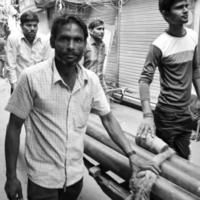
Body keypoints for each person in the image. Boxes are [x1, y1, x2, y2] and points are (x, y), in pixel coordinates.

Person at [4, 14, 159, 200]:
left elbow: (108, 119)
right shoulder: (30, 78)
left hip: (75, 178)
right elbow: (14, 128)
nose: (71, 46)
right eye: (64, 39)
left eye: (77, 40)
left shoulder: (91, 80)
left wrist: (131, 154)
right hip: (42, 181)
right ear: (52, 42)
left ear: (85, 44)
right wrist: (11, 177)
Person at [137, 0, 200, 159]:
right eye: (179, 7)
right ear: (165, 14)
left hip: (186, 113)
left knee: (183, 158)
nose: (186, 10)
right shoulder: (159, 45)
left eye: (186, 5)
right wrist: (147, 115)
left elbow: (196, 70)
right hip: (166, 116)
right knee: (165, 161)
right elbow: (144, 80)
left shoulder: (193, 37)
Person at [5, 10, 52, 92]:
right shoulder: (13, 39)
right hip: (20, 86)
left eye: (35, 25)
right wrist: (15, 88)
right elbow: (11, 66)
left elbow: (47, 64)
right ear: (21, 26)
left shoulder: (44, 40)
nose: (32, 29)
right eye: (28, 25)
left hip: (39, 86)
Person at [83, 19, 107, 92]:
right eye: (99, 29)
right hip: (85, 86)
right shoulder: (84, 45)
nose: (102, 31)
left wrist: (104, 87)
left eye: (103, 29)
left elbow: (100, 69)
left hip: (99, 86)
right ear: (90, 30)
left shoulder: (103, 46)